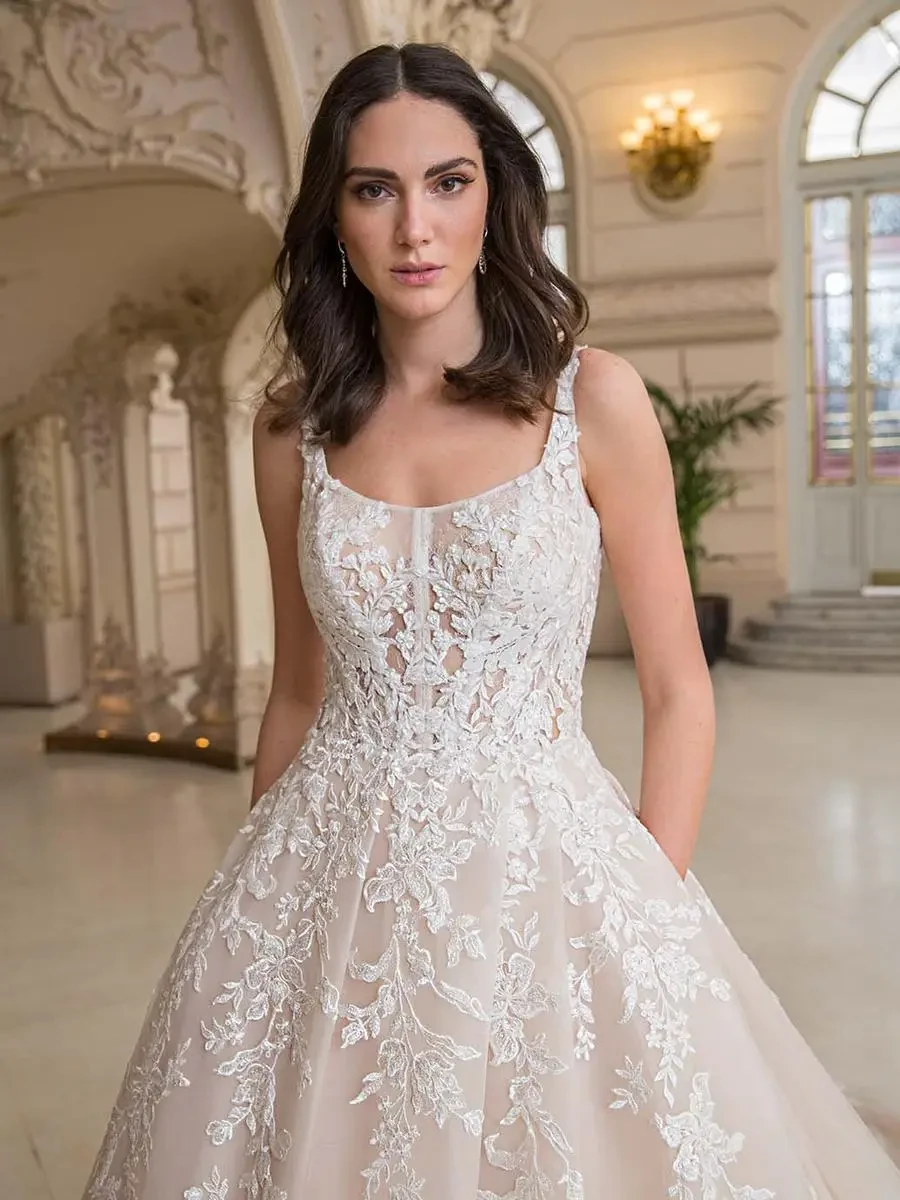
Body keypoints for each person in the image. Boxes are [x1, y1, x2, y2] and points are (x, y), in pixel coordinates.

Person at [83, 42, 900, 1200]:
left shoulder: (594, 400)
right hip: (323, 874)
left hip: (552, 868)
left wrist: (647, 912)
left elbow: (679, 687)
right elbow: (300, 690)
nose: (415, 227)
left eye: (448, 182)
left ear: (494, 196)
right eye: (375, 189)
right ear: (336, 218)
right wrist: (251, 913)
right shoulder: (290, 430)